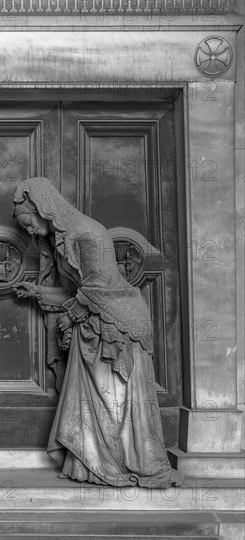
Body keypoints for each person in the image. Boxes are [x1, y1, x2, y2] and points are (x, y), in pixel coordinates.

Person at [13, 177, 181, 488]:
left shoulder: (87, 233)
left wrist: (71, 316)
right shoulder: (62, 242)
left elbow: (100, 288)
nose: (30, 231)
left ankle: (124, 462)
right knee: (94, 405)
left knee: (116, 404)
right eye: (24, 227)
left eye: (29, 222)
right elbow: (73, 293)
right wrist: (38, 291)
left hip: (119, 328)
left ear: (44, 209)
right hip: (92, 327)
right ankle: (92, 465)